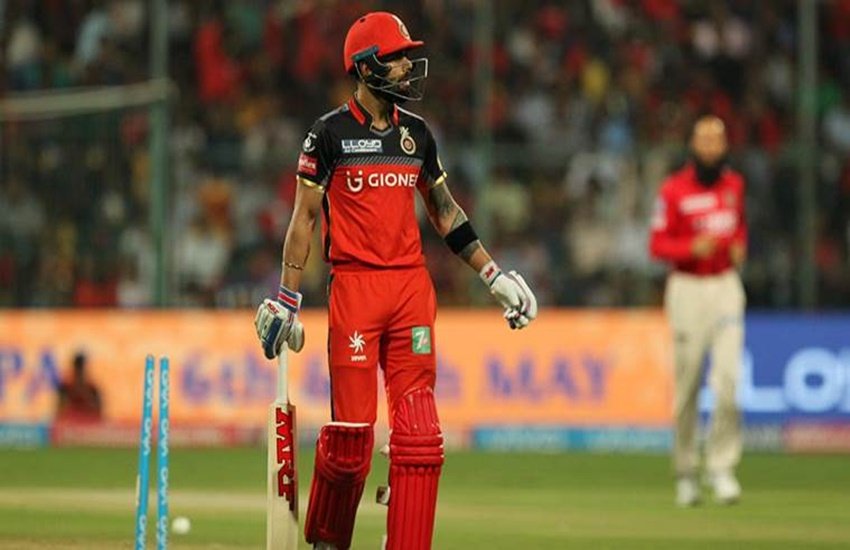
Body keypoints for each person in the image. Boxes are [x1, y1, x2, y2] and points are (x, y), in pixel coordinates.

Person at [254, 11, 537, 550]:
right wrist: (287, 297)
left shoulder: (417, 135)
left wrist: (492, 274)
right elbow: (304, 220)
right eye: (397, 57)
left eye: (408, 56)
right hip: (355, 289)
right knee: (351, 444)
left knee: (421, 438)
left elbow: (445, 212)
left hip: (410, 290)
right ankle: (328, 542)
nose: (408, 66)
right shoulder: (328, 134)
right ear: (365, 67)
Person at [649, 115, 747, 507]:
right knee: (688, 385)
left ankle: (722, 469)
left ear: (724, 146)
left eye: (717, 139)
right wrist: (692, 249)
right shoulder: (673, 190)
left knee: (728, 384)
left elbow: (738, 229)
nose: (711, 146)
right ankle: (687, 473)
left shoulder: (734, 186)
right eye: (704, 139)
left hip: (725, 286)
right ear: (693, 144)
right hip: (687, 289)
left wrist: (739, 246)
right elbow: (657, 246)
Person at [56, 351, 103, 423]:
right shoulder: (66, 388)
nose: (80, 372)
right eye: (79, 368)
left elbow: (99, 412)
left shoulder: (92, 389)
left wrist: (85, 394)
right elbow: (59, 412)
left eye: (81, 369)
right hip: (70, 425)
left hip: (88, 425)